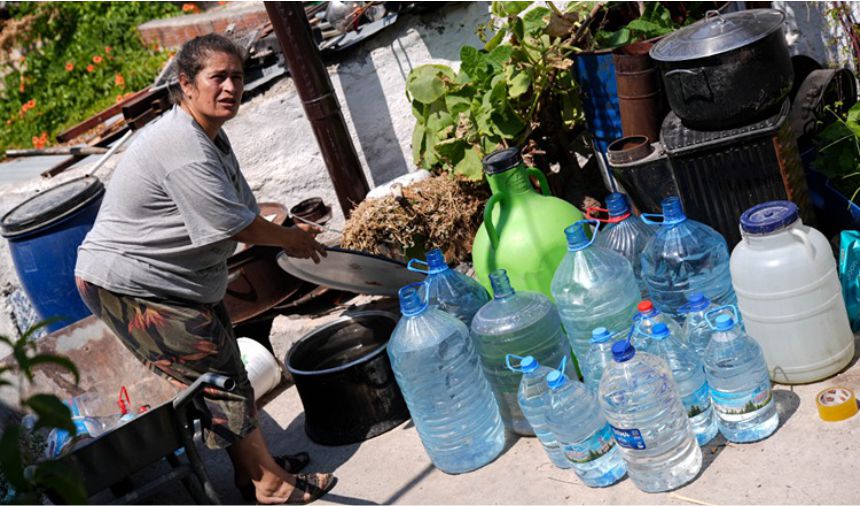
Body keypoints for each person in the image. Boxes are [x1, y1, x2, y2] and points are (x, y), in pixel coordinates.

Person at [74, 33, 334, 505]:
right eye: (218, 77)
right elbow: (231, 223)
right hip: (132, 286)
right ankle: (270, 486)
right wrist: (291, 239)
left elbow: (242, 205)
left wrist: (278, 230)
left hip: (173, 281)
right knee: (219, 381)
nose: (230, 86)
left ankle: (255, 474)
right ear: (186, 84)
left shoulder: (209, 135)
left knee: (226, 366)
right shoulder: (182, 146)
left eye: (237, 76)